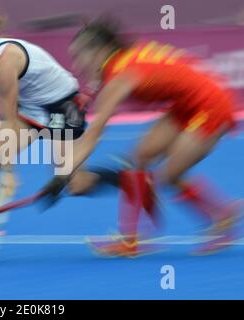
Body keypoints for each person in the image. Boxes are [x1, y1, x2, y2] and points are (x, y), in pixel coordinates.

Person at [46, 17, 242, 257]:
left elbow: (94, 133)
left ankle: (222, 216)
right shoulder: (118, 62)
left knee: (169, 176)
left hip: (210, 105)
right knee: (138, 159)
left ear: (99, 51)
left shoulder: (120, 76)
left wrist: (64, 172)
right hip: (186, 104)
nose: (77, 65)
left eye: (79, 56)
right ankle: (131, 240)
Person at [0, 10, 111, 261]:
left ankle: (123, 175)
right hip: (32, 108)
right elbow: (7, 117)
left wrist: (9, 173)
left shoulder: (2, 61)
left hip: (62, 107)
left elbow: (8, 117)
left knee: (74, 184)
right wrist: (4, 163)